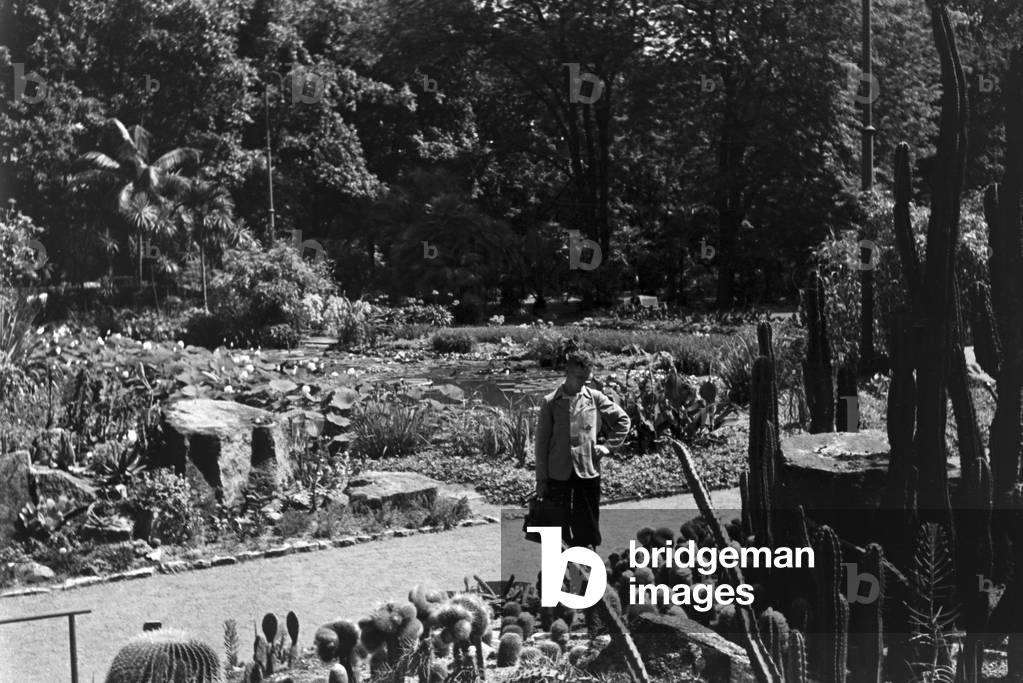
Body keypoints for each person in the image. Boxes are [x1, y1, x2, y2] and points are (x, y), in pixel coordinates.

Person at [534, 349, 631, 549]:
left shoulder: (595, 398)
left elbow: (623, 420)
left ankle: (587, 571)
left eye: (587, 379)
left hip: (587, 471)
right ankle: (558, 574)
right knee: (555, 528)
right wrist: (541, 479)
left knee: (587, 525)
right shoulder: (550, 402)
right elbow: (541, 444)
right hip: (557, 473)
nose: (583, 382)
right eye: (579, 377)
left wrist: (607, 447)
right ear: (567, 372)